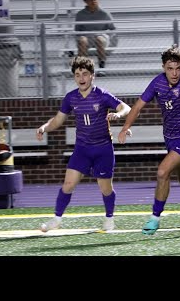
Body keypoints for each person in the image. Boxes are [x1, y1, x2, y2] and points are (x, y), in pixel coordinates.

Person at [118, 45, 180, 235]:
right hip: (170, 137)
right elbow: (138, 106)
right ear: (163, 67)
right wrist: (125, 127)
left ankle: (155, 218)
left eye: (178, 68)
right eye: (170, 68)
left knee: (162, 172)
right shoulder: (157, 83)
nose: (174, 73)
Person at [38, 56, 131, 232]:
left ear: (92, 76)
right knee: (68, 184)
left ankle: (109, 218)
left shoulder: (102, 95)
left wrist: (118, 115)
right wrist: (45, 127)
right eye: (77, 74)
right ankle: (56, 219)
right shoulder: (71, 98)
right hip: (82, 149)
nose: (81, 78)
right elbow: (58, 120)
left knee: (105, 189)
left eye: (85, 74)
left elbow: (126, 108)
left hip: (103, 149)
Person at [74, 0, 117, 69]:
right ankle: (83, 67)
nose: (93, 1)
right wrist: (80, 38)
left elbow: (113, 29)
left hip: (101, 36)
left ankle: (102, 65)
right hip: (87, 37)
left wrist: (109, 38)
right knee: (82, 40)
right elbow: (77, 31)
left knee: (99, 39)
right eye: (91, 0)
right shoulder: (80, 14)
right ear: (86, 2)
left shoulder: (104, 13)